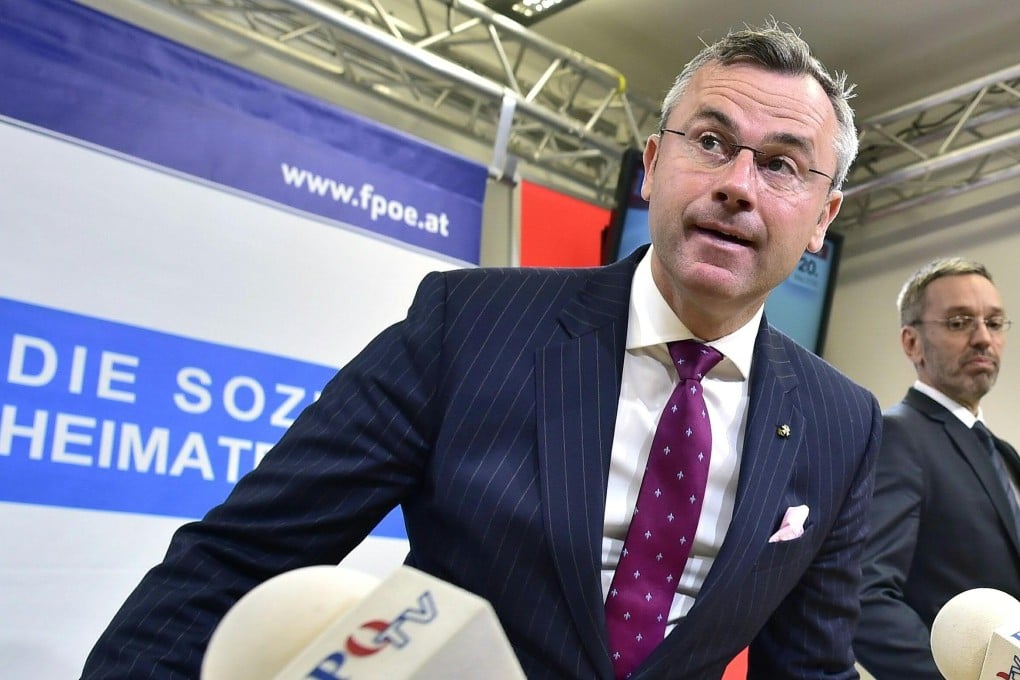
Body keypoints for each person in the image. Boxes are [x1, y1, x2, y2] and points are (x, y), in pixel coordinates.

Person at [81, 20, 880, 679]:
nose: (738, 183)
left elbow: (809, 668)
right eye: (710, 141)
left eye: (780, 164)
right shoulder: (468, 325)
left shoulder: (843, 423)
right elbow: (237, 563)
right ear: (651, 166)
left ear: (821, 217)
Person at [854, 258, 1020, 677]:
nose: (983, 338)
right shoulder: (898, 436)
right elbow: (866, 595)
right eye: (960, 322)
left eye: (995, 322)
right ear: (912, 343)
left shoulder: (1002, 453)